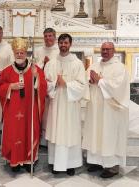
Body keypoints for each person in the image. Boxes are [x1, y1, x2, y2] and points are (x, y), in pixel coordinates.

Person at [0, 37, 47, 172]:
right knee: (14, 134)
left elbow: (43, 87)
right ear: (14, 53)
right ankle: (15, 161)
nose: (19, 55)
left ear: (26, 53)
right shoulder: (7, 70)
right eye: (17, 52)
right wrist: (10, 86)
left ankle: (29, 159)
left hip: (29, 109)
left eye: (22, 53)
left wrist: (37, 77)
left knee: (29, 132)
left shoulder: (35, 69)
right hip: (13, 111)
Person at [82, 42, 130, 178]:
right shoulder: (95, 65)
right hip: (95, 108)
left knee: (109, 135)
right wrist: (89, 81)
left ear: (114, 50)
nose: (105, 51)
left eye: (108, 49)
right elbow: (85, 79)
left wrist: (100, 81)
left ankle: (112, 166)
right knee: (96, 133)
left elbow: (119, 87)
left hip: (111, 110)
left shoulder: (120, 68)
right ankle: (96, 162)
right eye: (103, 49)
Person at [44, 33, 87, 176]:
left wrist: (67, 84)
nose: (63, 45)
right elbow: (45, 83)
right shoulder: (51, 63)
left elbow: (82, 85)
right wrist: (54, 83)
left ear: (70, 44)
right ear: (58, 43)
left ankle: (71, 164)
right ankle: (54, 162)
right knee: (56, 132)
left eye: (66, 43)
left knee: (70, 132)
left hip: (70, 106)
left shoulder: (77, 63)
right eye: (61, 43)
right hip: (55, 104)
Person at [34, 27, 58, 146]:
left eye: (50, 36)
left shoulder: (59, 50)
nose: (48, 38)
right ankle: (42, 139)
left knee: (52, 113)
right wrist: (43, 63)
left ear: (54, 37)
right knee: (42, 111)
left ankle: (51, 138)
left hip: (54, 84)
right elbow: (35, 66)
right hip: (41, 84)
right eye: (46, 36)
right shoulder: (39, 50)